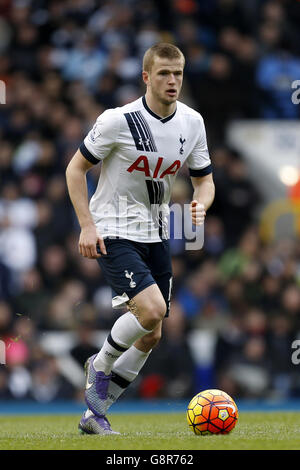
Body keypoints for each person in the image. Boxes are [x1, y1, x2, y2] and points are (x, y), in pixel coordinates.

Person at [65, 43, 215, 435]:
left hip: (158, 232)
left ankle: (94, 415)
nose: (172, 81)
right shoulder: (118, 120)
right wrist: (86, 225)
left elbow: (205, 180)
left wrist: (201, 204)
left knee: (152, 333)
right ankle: (100, 363)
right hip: (114, 228)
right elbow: (75, 169)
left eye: (178, 73)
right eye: (164, 73)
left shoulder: (192, 122)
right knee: (151, 310)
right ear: (146, 77)